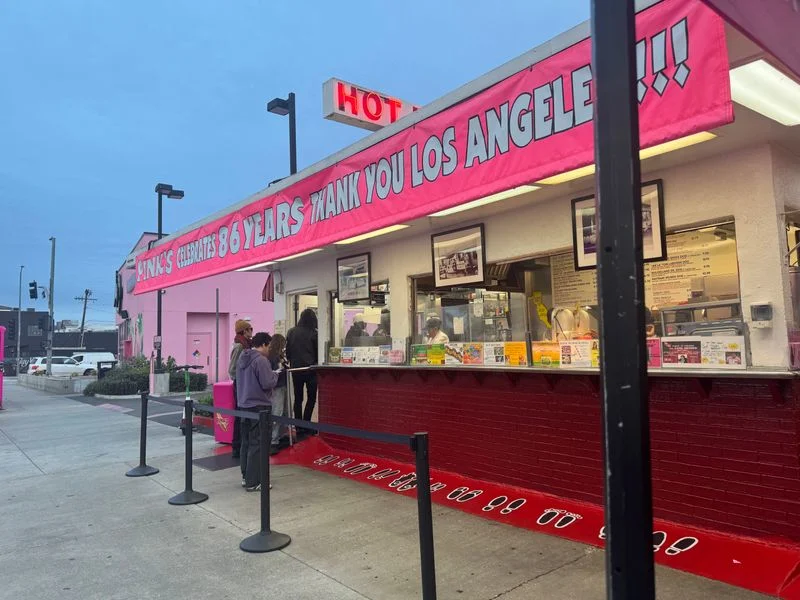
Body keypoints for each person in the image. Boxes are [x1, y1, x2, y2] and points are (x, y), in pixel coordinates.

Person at [236, 331, 281, 491]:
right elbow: (267, 382)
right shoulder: (261, 361)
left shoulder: (242, 357)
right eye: (268, 346)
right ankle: (254, 481)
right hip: (260, 407)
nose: (269, 350)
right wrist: (276, 375)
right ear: (263, 344)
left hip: (243, 406)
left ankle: (246, 476)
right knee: (259, 444)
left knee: (246, 443)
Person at [287, 308, 318, 432]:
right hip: (311, 370)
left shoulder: (291, 332)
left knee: (298, 398)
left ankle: (298, 425)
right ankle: (306, 424)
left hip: (296, 369)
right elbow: (317, 353)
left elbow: (288, 351)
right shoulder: (314, 333)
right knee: (311, 398)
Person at [228, 319, 253, 458]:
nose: (251, 332)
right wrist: (241, 380)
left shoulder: (246, 344)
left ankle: (240, 444)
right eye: (250, 329)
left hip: (243, 384)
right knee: (240, 415)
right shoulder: (240, 346)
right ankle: (237, 446)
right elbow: (232, 369)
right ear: (244, 331)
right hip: (240, 384)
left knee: (243, 414)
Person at [266, 333, 289, 455]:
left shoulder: (278, 355)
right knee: (277, 412)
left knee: (283, 411)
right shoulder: (274, 357)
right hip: (278, 387)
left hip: (281, 386)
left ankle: (279, 436)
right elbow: (276, 371)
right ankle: (273, 441)